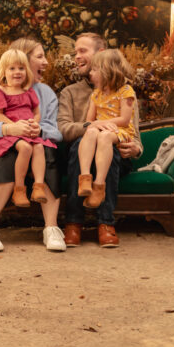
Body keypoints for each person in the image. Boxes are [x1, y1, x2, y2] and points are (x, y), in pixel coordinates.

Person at [0, 37, 66, 253]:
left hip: (34, 145)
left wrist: (36, 129)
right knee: (8, 159)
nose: (46, 62)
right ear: (20, 59)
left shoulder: (45, 93)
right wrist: (8, 129)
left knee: (48, 152)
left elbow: (54, 131)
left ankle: (52, 228)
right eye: (40, 57)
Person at [57, 32, 142, 248]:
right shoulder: (70, 93)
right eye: (75, 52)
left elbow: (135, 135)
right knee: (81, 142)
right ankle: (73, 223)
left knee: (111, 146)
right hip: (80, 157)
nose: (76, 56)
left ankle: (105, 223)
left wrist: (135, 149)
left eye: (82, 51)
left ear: (101, 55)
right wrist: (90, 125)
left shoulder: (125, 93)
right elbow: (63, 129)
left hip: (114, 154)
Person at [0, 48, 56, 208]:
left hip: (28, 130)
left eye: (21, 68)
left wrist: (35, 123)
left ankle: (38, 187)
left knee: (39, 147)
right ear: (4, 71)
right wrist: (13, 126)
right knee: (25, 148)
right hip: (11, 133)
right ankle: (19, 189)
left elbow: (36, 112)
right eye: (12, 68)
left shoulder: (28, 92)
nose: (17, 72)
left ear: (27, 71)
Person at [77, 48, 137, 210]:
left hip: (120, 132)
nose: (90, 73)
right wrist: (96, 124)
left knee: (104, 137)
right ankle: (85, 178)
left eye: (95, 70)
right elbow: (89, 121)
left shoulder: (126, 91)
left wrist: (104, 123)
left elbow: (124, 120)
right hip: (101, 129)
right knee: (90, 132)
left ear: (108, 72)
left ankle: (99, 185)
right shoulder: (96, 94)